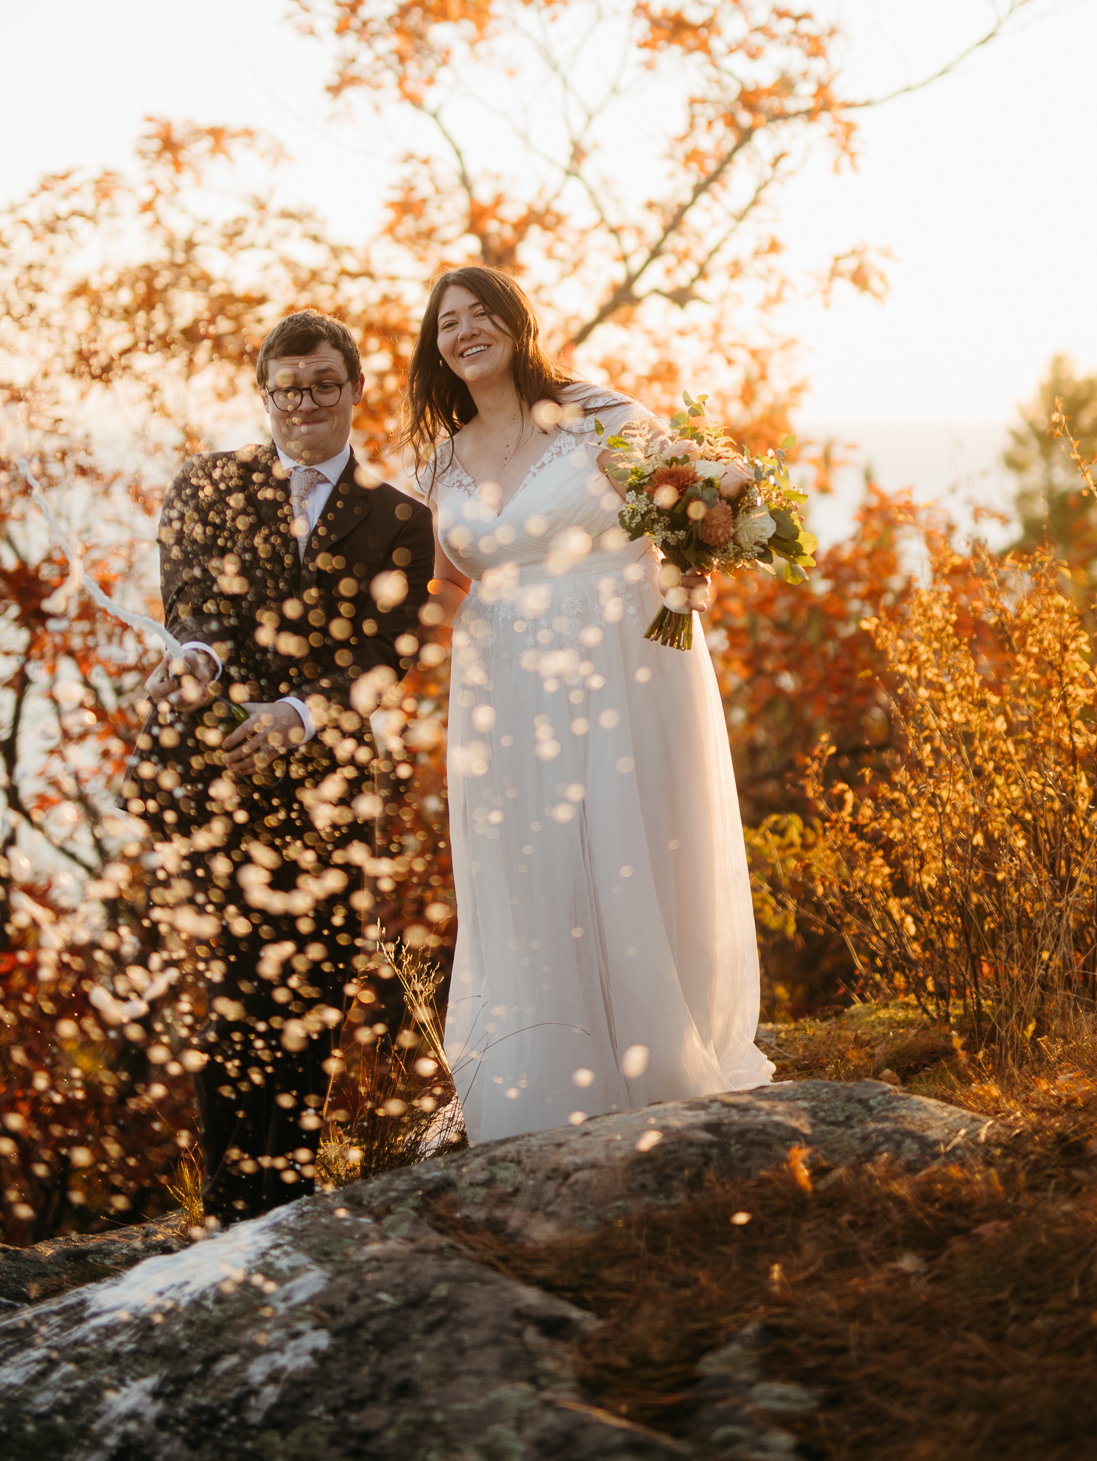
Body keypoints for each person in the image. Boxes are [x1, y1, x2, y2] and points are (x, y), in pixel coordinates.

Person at [404, 265, 773, 1145]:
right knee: (528, 858)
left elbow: (680, 509)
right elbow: (447, 582)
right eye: (447, 322)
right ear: (436, 348)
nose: (466, 331)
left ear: (516, 323)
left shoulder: (601, 416)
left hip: (622, 658)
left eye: (482, 313)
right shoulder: (438, 464)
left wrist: (690, 571)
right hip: (500, 678)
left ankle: (656, 1055)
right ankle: (551, 1068)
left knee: (629, 843)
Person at [130, 310, 434, 1220]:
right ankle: (229, 1212)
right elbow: (192, 607)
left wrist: (299, 715)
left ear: (355, 390)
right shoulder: (208, 485)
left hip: (337, 786)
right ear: (265, 395)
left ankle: (289, 1207)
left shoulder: (401, 517)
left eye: (322, 385)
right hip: (225, 781)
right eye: (286, 388)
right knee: (234, 999)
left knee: (320, 993)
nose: (303, 403)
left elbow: (390, 654)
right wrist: (200, 662)